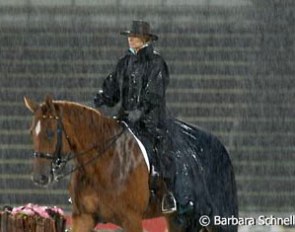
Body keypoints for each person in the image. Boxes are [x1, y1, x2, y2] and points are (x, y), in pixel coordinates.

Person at [93, 20, 177, 213]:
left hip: (151, 121)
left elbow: (154, 94)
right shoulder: (124, 62)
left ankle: (166, 192)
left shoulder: (156, 63)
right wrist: (101, 99)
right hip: (125, 120)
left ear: (145, 39)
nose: (130, 39)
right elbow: (112, 86)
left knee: (159, 150)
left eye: (135, 36)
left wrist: (140, 112)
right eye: (130, 36)